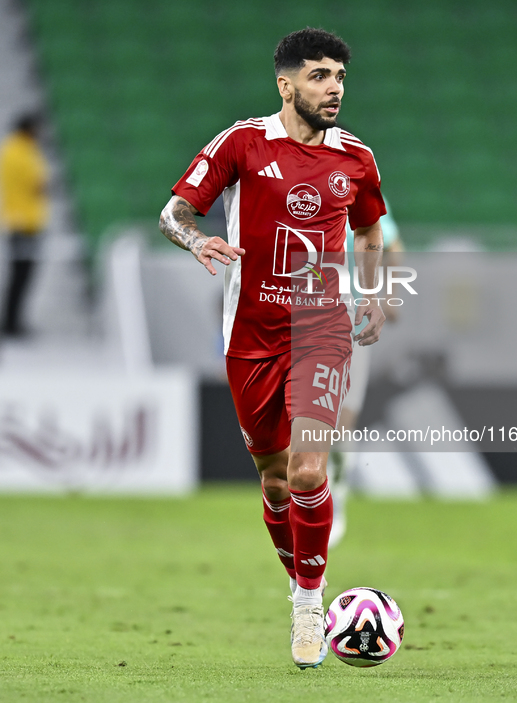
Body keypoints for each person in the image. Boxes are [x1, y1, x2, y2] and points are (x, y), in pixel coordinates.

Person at [159, 28, 387, 669]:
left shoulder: (357, 159)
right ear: (285, 84)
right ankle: (302, 582)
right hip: (250, 337)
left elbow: (370, 227)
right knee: (277, 482)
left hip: (321, 330)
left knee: (310, 471)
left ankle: (308, 610)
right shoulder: (242, 143)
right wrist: (196, 241)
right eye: (319, 76)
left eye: (340, 76)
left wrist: (370, 293)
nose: (334, 88)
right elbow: (175, 213)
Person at [328, 203, 401, 548]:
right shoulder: (300, 186)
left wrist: (391, 295)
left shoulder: (359, 187)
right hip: (303, 316)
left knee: (345, 419)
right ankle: (305, 497)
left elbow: (392, 243)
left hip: (351, 320)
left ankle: (335, 498)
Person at [0, 113, 49, 337]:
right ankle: (12, 324)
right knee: (21, 277)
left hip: (17, 220)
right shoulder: (23, 152)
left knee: (19, 277)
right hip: (25, 222)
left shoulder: (10, 150)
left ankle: (12, 322)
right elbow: (38, 184)